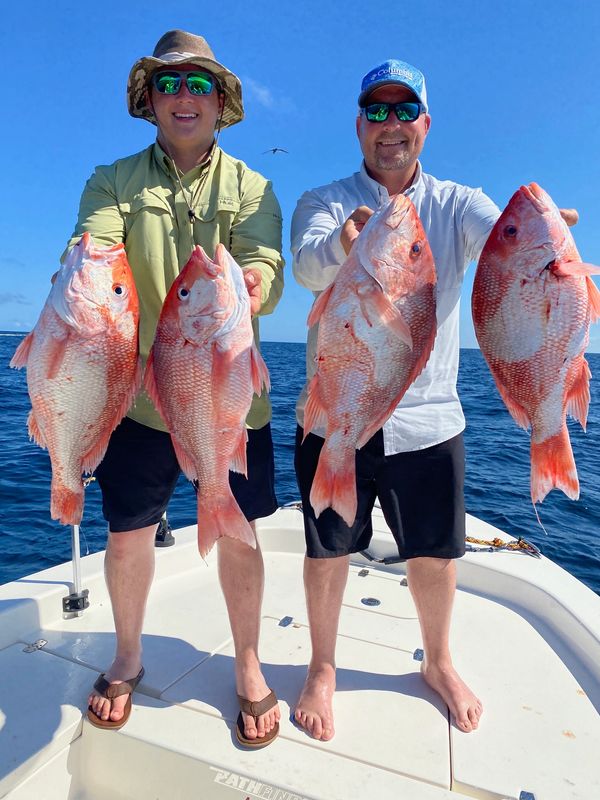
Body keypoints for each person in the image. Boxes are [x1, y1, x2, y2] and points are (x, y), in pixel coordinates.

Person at [291, 59, 577, 741]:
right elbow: (305, 267)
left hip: (429, 418)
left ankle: (439, 661)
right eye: (377, 111)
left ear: (425, 122)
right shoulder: (326, 201)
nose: (391, 125)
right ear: (359, 124)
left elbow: (501, 241)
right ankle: (323, 667)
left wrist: (541, 237)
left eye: (404, 110)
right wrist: (344, 243)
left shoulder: (456, 203)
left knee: (436, 551)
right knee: (327, 548)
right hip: (339, 409)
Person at [65, 30, 284, 747]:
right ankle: (128, 655)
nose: (183, 98)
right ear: (149, 100)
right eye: (169, 85)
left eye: (199, 85)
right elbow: (94, 247)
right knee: (128, 536)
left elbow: (265, 261)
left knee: (241, 536)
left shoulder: (252, 186)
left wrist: (255, 282)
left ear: (221, 101)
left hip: (227, 397)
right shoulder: (113, 180)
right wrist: (82, 265)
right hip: (138, 397)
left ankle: (249, 664)